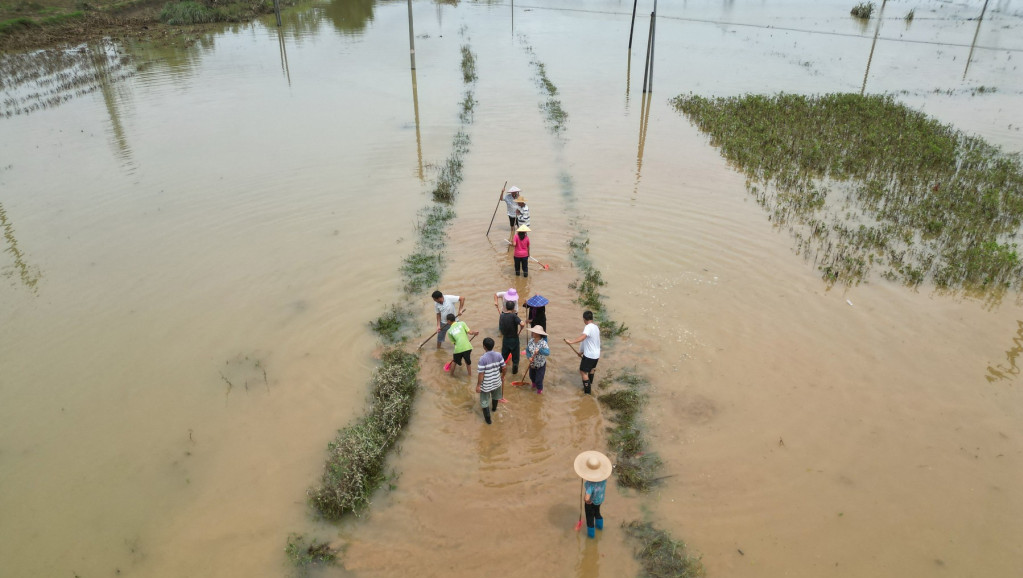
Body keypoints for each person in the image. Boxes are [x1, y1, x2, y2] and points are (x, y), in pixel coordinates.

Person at [574, 450, 613, 539]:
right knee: (597, 513)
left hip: (590, 503)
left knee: (590, 518)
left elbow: (587, 497)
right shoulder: (603, 479)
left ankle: (591, 537)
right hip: (599, 500)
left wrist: (586, 500)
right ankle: (600, 527)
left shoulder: (590, 485)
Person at [564, 310, 600, 394]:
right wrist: (581, 351)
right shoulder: (596, 327)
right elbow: (589, 341)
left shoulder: (588, 327)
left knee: (582, 371)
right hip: (596, 354)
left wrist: (571, 342)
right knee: (591, 369)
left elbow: (583, 337)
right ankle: (590, 384)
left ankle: (587, 392)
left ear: (584, 319)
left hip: (589, 355)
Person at [476, 337, 506, 425]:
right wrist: (503, 376)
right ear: (493, 346)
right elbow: (504, 367)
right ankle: (494, 410)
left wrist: (478, 385)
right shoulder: (498, 355)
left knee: (484, 402)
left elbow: (481, 374)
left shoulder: (482, 359)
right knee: (496, 397)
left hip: (486, 384)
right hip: (497, 382)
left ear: (484, 347)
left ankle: (488, 421)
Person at [499, 301, 526, 374]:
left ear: (506, 307)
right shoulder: (514, 316)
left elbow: (501, 328)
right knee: (515, 358)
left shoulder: (502, 316)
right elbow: (522, 324)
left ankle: (500, 372)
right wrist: (520, 330)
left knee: (503, 356)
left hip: (505, 339)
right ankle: (514, 373)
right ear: (513, 308)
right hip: (514, 339)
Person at [525, 325, 550, 394]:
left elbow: (547, 353)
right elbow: (527, 350)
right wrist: (529, 357)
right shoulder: (531, 341)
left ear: (538, 334)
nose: (532, 333)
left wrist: (539, 350)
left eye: (534, 332)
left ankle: (539, 391)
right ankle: (533, 385)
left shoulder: (543, 343)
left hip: (540, 365)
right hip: (532, 364)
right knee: (531, 376)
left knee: (539, 380)